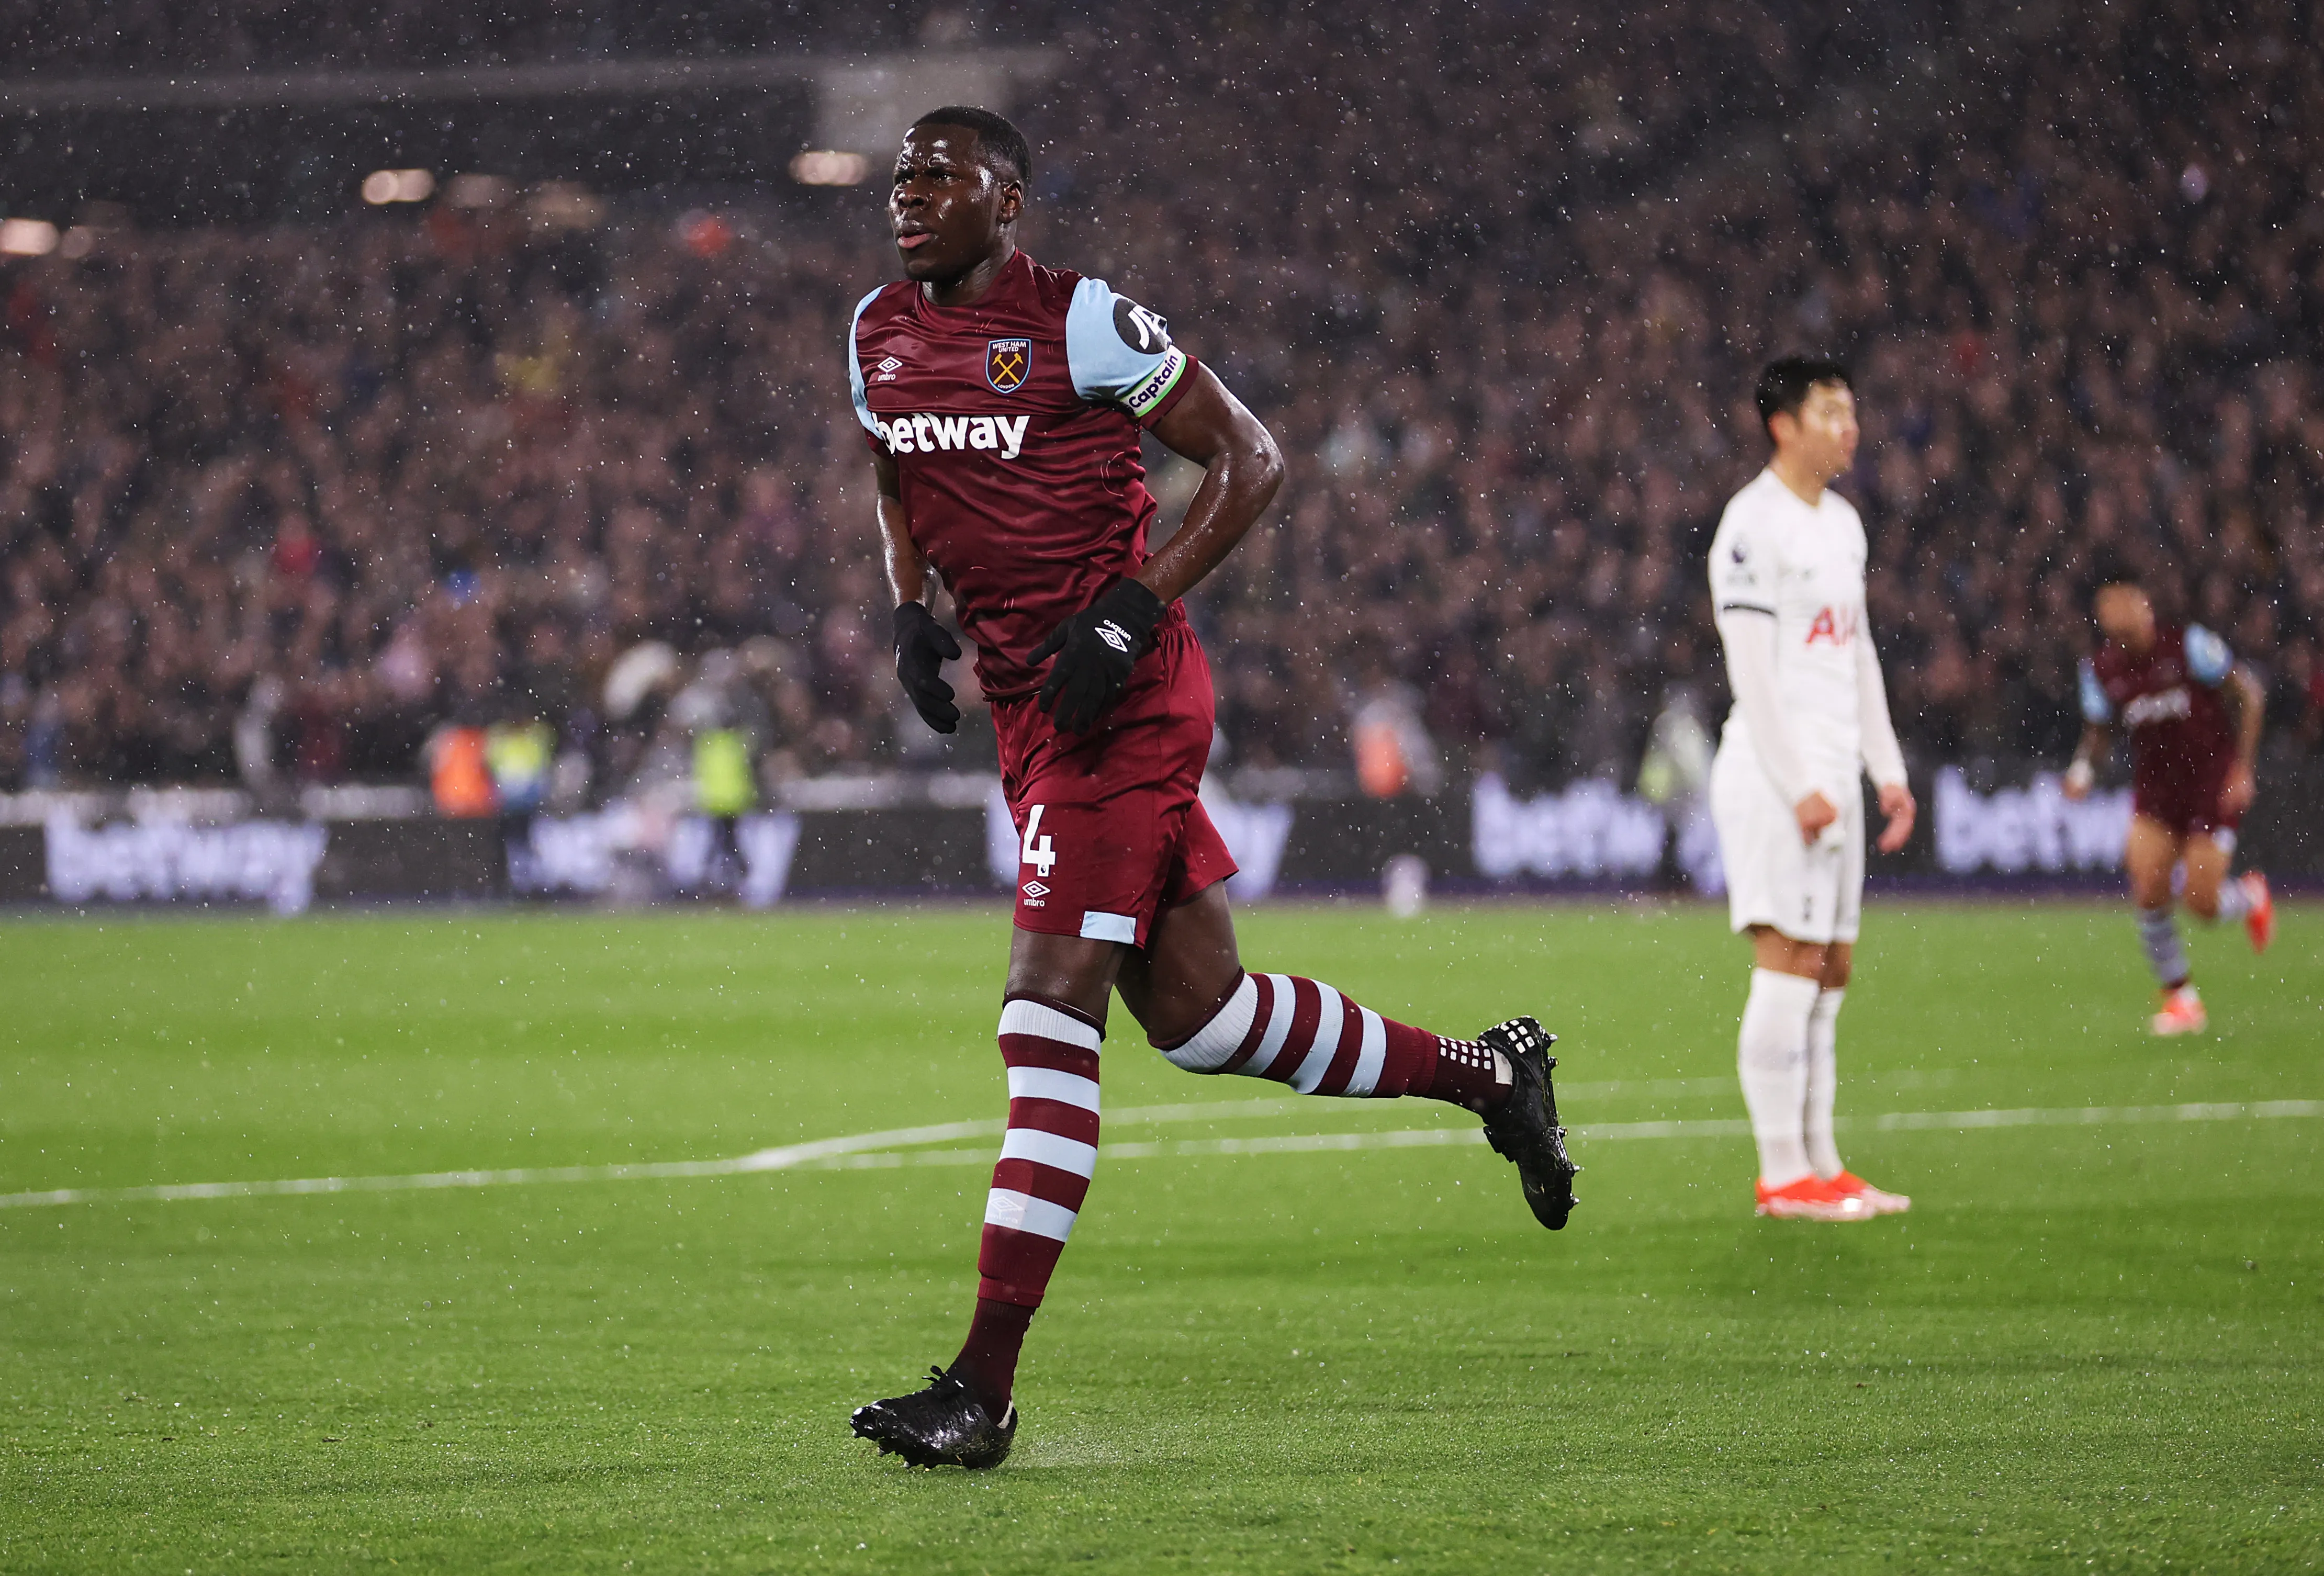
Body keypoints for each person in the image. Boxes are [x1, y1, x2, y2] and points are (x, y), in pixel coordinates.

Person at [841, 107, 1578, 1470]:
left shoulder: (1083, 322)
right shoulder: (876, 331)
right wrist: (907, 609)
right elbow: (893, 465)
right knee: (1201, 1015)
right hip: (1032, 710)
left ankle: (982, 1390)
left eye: (942, 177)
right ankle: (1492, 1078)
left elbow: (1255, 459)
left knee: (1045, 1020)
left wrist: (1133, 605)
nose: (911, 195)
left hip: (1121, 703)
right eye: (901, 178)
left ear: (1009, 202)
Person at [1706, 357, 1917, 1224]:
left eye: (1851, 410)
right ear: (1783, 425)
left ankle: (1822, 1162)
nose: (1849, 427)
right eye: (1830, 411)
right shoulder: (1751, 526)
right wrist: (1798, 785)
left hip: (1834, 776)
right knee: (1788, 961)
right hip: (1773, 776)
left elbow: (1856, 652)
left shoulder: (1843, 525)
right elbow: (1751, 673)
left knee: (1830, 969)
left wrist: (1886, 769)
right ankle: (1781, 1173)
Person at [2063, 581, 2273, 1035]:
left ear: (2147, 610)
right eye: (2119, 629)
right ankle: (2180, 998)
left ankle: (2250, 897)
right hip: (2156, 795)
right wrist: (2081, 771)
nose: (2130, 632)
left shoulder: (2188, 645)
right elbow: (2097, 731)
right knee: (2147, 888)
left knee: (2202, 903)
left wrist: (2242, 769)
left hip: (2209, 786)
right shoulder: (2099, 670)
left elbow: (2248, 695)